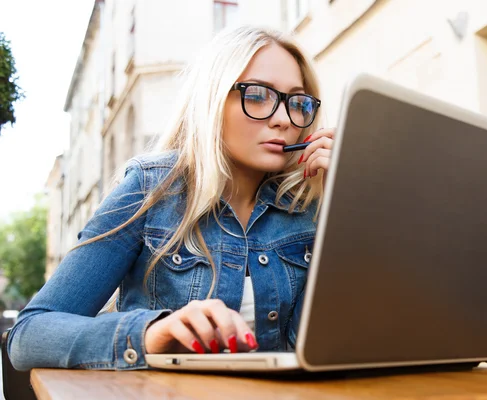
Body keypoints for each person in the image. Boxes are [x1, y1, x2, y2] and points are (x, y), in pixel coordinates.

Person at [8, 25, 335, 371]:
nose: (284, 120)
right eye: (257, 95)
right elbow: (29, 335)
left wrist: (342, 208)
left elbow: (320, 348)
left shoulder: (307, 207)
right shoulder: (150, 189)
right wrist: (148, 334)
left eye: (298, 103)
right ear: (211, 99)